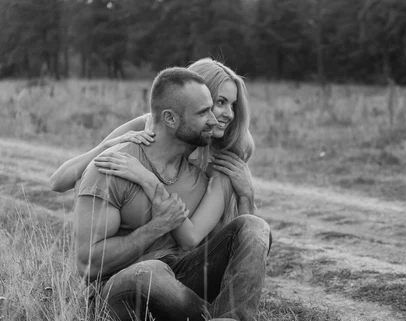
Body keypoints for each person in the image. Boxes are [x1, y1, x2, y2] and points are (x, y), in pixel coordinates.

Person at [73, 66, 275, 321]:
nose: (217, 119)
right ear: (170, 118)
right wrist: (157, 227)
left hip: (176, 277)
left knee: (254, 226)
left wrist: (245, 197)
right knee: (149, 272)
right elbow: (89, 265)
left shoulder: (199, 177)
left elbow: (199, 245)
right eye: (205, 112)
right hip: (119, 287)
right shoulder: (113, 167)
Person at [50, 58, 256, 235]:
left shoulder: (235, 143)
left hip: (203, 249)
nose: (229, 114)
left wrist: (247, 194)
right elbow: (58, 182)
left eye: (233, 105)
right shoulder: (146, 127)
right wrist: (107, 145)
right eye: (220, 102)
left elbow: (242, 235)